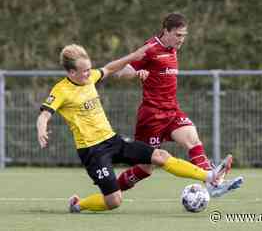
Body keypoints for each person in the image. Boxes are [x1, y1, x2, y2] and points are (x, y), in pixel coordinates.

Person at [36, 43, 243, 213]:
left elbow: (109, 68)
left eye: (90, 69)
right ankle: (79, 204)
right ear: (71, 72)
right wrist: (41, 129)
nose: (89, 74)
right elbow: (44, 114)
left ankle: (210, 177)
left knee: (160, 156)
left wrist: (133, 56)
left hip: (113, 141)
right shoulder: (61, 90)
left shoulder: (90, 77)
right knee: (114, 201)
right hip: (92, 152)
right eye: (84, 71)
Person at [115, 12, 233, 191]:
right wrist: (137, 73)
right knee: (145, 169)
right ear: (166, 31)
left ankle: (212, 182)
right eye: (178, 35)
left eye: (184, 36)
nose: (181, 40)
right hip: (152, 116)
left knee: (193, 140)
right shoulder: (151, 49)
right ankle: (112, 188)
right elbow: (121, 72)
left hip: (172, 111)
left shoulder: (172, 49)